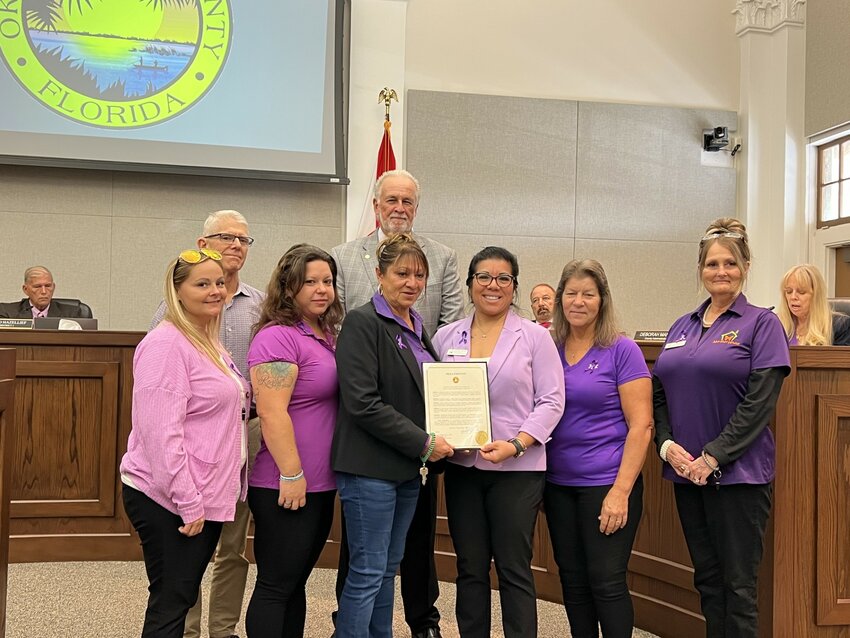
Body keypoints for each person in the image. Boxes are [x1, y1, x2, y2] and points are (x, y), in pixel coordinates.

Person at [330, 169, 464, 638]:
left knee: (388, 568)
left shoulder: (414, 327)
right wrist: (426, 443)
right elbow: (363, 403)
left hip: (406, 469)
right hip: (371, 469)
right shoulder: (364, 324)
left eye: (419, 275)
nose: (411, 282)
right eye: (402, 273)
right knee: (367, 572)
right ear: (380, 275)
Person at [651, 218, 790, 638]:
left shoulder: (762, 324)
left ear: (745, 266)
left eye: (730, 263)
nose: (721, 271)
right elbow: (659, 393)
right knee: (707, 582)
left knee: (739, 588)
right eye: (712, 264)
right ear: (701, 270)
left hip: (738, 479)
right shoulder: (682, 325)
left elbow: (760, 402)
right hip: (686, 475)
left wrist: (713, 456)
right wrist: (666, 444)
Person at [432, 246, 565, 638]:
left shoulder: (535, 339)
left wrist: (518, 443)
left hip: (517, 470)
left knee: (513, 567)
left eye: (503, 278)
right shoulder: (445, 337)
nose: (493, 285)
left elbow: (553, 400)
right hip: (463, 468)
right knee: (469, 566)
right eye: (484, 277)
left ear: (514, 286)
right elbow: (434, 398)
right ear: (471, 283)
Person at [121, 248, 249, 638]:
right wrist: (188, 501)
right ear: (176, 292)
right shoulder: (166, 344)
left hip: (199, 495)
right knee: (171, 602)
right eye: (202, 284)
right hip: (171, 499)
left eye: (219, 283)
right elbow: (161, 435)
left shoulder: (205, 340)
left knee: (178, 596)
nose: (215, 291)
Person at [151, 209, 264, 638]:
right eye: (226, 237)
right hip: (192, 436)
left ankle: (223, 630)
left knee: (233, 546)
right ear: (203, 244)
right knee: (190, 542)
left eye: (244, 239)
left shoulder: (260, 303)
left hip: (243, 433)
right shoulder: (175, 303)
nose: (236, 245)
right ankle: (189, 629)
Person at [544, 259, 652, 638]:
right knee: (572, 582)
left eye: (588, 294)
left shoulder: (622, 350)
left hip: (607, 484)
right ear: (559, 300)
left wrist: (620, 492)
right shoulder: (549, 348)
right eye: (571, 293)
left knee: (606, 582)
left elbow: (642, 426)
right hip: (557, 486)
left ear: (602, 300)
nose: (578, 301)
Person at [244, 244, 343, 638]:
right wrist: (292, 473)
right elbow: (270, 411)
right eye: (310, 282)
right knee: (275, 586)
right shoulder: (277, 337)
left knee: (294, 584)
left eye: (327, 281)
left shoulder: (326, 334)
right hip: (285, 482)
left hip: (321, 483)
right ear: (288, 287)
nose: (321, 290)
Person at [778, 263, 850, 346]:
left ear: (816, 295)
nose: (793, 297)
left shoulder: (840, 326)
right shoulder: (777, 324)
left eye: (801, 292)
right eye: (789, 292)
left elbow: (840, 358)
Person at [0, 266, 86, 318]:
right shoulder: (7, 312)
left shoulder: (72, 313)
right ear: (25, 289)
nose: (44, 291)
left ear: (54, 287)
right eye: (37, 287)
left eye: (48, 286)